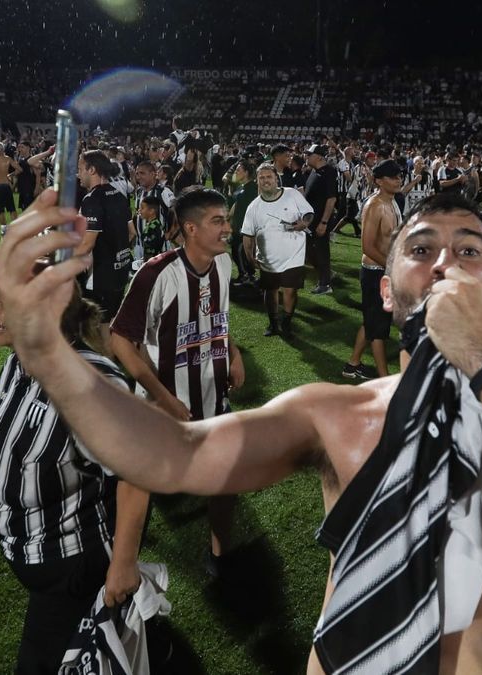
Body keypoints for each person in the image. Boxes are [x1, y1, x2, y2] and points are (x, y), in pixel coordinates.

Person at [0, 189, 482, 675]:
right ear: (386, 292)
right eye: (421, 249)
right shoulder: (333, 414)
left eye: (469, 250)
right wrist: (47, 352)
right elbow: (173, 456)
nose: (443, 263)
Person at [0, 277, 136, 675]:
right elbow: (17, 435)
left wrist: (124, 562)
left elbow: (137, 475)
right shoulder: (17, 363)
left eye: (3, 303)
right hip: (35, 556)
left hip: (73, 564)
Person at [109, 187, 245, 579]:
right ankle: (123, 566)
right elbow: (121, 339)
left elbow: (218, 317)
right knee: (139, 487)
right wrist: (163, 397)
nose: (227, 229)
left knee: (226, 480)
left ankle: (220, 555)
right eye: (218, 221)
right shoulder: (156, 273)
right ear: (190, 228)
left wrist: (233, 353)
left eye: (226, 220)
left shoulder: (223, 264)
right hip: (161, 407)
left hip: (211, 396)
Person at [342, 159, 404, 380]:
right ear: (379, 181)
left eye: (399, 176)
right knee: (379, 327)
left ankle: (352, 365)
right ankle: (384, 377)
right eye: (393, 177)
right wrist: (393, 267)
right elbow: (367, 247)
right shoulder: (375, 205)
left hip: (384, 270)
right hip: (375, 272)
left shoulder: (393, 201)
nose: (398, 180)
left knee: (373, 320)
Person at [242, 163, 313, 338]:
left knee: (290, 290)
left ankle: (286, 323)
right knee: (271, 290)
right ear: (257, 181)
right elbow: (248, 235)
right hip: (268, 259)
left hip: (294, 255)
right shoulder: (253, 207)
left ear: (276, 179)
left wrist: (305, 222)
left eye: (269, 177)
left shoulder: (292, 194)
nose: (266, 180)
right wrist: (250, 258)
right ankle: (273, 324)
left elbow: (308, 212)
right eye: (262, 177)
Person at [76, 150, 135, 321]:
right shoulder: (120, 195)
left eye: (80, 169)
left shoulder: (92, 199)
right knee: (112, 322)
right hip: (121, 272)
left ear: (92, 170)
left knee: (95, 328)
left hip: (101, 277)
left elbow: (87, 244)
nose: (78, 174)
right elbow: (132, 233)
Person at [304, 144, 339, 295]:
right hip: (311, 219)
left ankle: (325, 284)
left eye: (309, 154)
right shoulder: (313, 171)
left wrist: (323, 222)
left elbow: (331, 199)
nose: (306, 157)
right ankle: (326, 274)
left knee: (321, 251)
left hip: (320, 219)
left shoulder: (328, 172)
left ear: (318, 156)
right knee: (309, 251)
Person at [0, 141, 19, 233]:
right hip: (6, 185)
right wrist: (10, 175)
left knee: (0, 210)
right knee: (11, 208)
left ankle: (4, 229)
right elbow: (19, 169)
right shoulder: (8, 159)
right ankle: (16, 228)